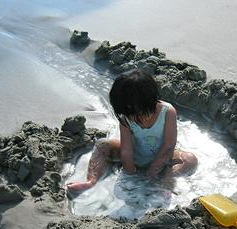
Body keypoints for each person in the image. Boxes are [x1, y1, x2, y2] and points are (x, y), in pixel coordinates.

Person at [66, 69, 198, 191]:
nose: (131, 117)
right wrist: (129, 173)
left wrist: (157, 165)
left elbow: (169, 144)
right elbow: (126, 150)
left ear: (149, 101)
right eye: (126, 112)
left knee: (190, 160)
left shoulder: (167, 112)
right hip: (136, 155)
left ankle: (165, 180)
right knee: (102, 145)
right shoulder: (126, 117)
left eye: (135, 112)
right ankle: (91, 181)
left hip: (163, 155)